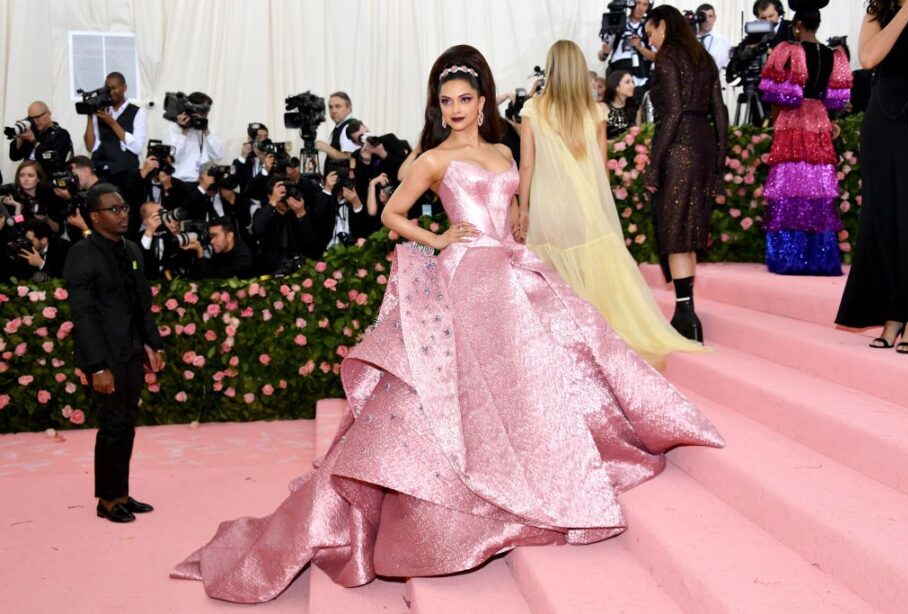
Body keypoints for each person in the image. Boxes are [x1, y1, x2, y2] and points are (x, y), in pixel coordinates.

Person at [172, 43, 723, 603]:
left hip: (509, 269)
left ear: (483, 102)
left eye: (465, 98)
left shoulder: (506, 154)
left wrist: (519, 242)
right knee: (459, 387)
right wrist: (436, 239)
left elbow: (511, 216)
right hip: (465, 275)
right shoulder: (433, 159)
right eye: (446, 100)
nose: (456, 108)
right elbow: (391, 214)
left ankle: (545, 467)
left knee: (550, 362)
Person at [516, 41, 704, 370]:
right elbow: (602, 168)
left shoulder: (534, 108)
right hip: (585, 203)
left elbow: (527, 165)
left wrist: (523, 207)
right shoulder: (596, 111)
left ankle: (563, 341)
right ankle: (595, 336)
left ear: (551, 68)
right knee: (592, 270)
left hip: (549, 205)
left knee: (555, 274)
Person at [63, 183, 165, 523]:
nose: (123, 215)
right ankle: (107, 500)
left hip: (132, 351)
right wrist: (95, 366)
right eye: (114, 210)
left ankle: (121, 493)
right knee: (112, 426)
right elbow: (83, 315)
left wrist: (154, 344)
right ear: (94, 217)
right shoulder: (82, 253)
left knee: (127, 425)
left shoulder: (133, 250)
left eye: (124, 208)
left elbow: (143, 305)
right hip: (104, 357)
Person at [837, 0, 908, 354]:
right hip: (883, 122)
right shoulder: (878, 10)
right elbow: (869, 57)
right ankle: (892, 314)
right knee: (882, 218)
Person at [645, 5, 729, 342]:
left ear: (663, 25)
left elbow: (675, 110)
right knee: (689, 227)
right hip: (703, 144)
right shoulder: (703, 59)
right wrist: (719, 162)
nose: (649, 39)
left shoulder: (667, 57)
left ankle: (685, 315)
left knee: (675, 229)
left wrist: (654, 163)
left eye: (650, 31)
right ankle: (686, 311)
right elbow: (720, 113)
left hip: (678, 146)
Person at [758, 0, 852, 276]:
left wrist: (775, 123)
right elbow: (835, 100)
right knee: (817, 186)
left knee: (789, 184)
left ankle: (789, 257)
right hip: (819, 118)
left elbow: (778, 97)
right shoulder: (832, 55)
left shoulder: (787, 52)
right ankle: (819, 258)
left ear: (797, 25)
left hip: (793, 118)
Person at [84, 72, 148, 187]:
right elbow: (90, 147)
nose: (111, 93)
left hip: (126, 175)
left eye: (114, 88)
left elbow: (137, 147)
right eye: (108, 89)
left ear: (124, 88)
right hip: (101, 173)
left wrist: (112, 123)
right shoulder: (101, 111)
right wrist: (90, 114)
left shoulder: (137, 112)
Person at [165, 92, 224, 184]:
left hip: (203, 182)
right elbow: (173, 157)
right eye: (202, 111)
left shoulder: (210, 129)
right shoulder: (174, 128)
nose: (204, 115)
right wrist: (184, 132)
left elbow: (218, 155)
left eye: (207, 111)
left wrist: (206, 132)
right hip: (180, 181)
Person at [8, 101, 74, 175]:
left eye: (38, 117)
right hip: (28, 180)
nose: (35, 121)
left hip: (48, 182)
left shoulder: (61, 134)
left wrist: (33, 140)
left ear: (49, 113)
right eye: (31, 118)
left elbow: (53, 161)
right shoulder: (32, 132)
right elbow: (14, 156)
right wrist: (19, 137)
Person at [1, 160, 63, 234]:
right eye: (22, 175)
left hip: (45, 239)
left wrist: (47, 220)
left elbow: (59, 229)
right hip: (19, 238)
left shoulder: (49, 194)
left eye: (30, 175)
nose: (26, 179)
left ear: (38, 179)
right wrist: (18, 207)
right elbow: (16, 225)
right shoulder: (12, 197)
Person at [183, 216, 254, 279]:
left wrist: (200, 251)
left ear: (229, 236)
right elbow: (209, 268)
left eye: (215, 236)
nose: (212, 241)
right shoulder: (221, 248)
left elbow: (214, 277)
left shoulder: (243, 258)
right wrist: (199, 251)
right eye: (211, 236)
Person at [604, 70, 641, 139]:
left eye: (632, 82)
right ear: (616, 86)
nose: (633, 85)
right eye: (627, 82)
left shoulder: (635, 107)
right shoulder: (603, 108)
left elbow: (638, 135)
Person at [696, 4, 731, 70]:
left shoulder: (723, 41)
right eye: (703, 16)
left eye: (710, 16)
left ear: (715, 18)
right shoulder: (690, 40)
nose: (707, 20)